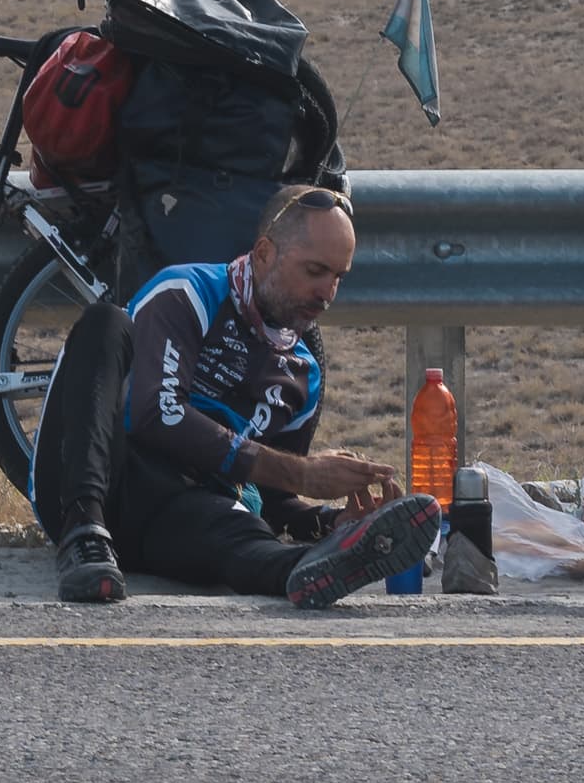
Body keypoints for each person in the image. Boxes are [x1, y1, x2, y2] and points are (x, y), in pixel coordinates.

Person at [29, 183, 442, 606]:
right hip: (105, 478)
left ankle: (321, 563)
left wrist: (332, 521)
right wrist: (302, 473)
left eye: (338, 277)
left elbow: (275, 500)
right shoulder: (186, 293)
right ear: (264, 254)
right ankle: (84, 535)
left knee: (251, 541)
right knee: (105, 323)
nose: (327, 293)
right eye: (315, 271)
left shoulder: (304, 374)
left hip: (181, 514)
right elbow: (159, 416)